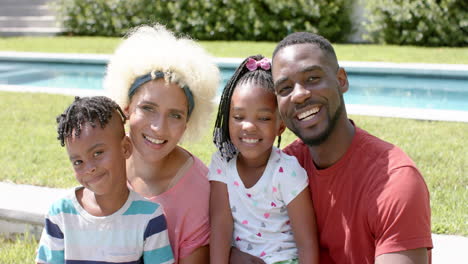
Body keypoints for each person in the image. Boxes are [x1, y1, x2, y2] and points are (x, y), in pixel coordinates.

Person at [270, 32, 433, 263]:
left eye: (313, 78)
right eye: (285, 88)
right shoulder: (281, 171)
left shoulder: (394, 181)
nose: (299, 95)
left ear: (341, 80)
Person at [104, 24, 219, 264]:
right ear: (126, 108)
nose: (158, 127)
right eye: (148, 108)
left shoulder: (200, 194)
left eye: (175, 115)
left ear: (188, 123)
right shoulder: (103, 164)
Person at [36, 96, 174, 264]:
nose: (89, 168)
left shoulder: (149, 217)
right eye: (78, 162)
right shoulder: (61, 213)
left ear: (125, 148)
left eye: (98, 153)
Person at [209, 55, 319, 264]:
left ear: (280, 125)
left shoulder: (287, 171)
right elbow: (220, 223)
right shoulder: (222, 163)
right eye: (239, 117)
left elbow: (307, 243)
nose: (248, 126)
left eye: (264, 118)